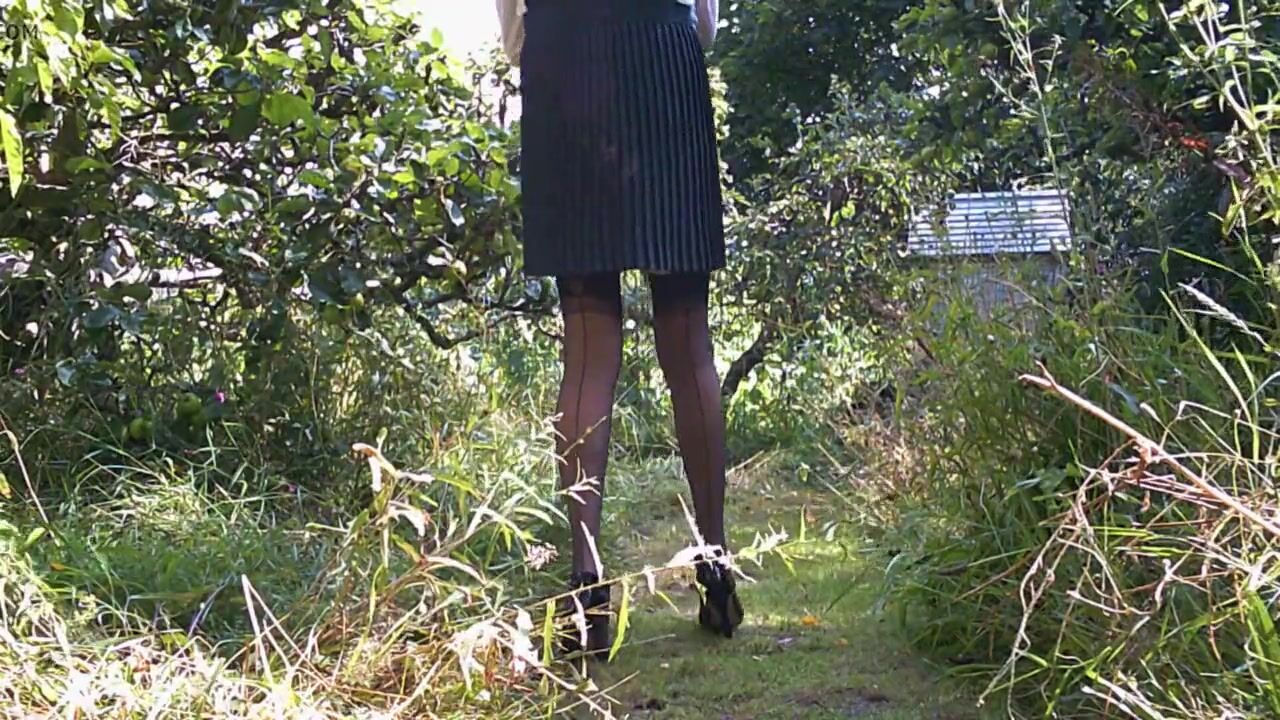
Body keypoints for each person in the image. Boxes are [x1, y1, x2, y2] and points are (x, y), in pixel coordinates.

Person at [495, 0, 744, 656]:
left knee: (587, 345)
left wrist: (537, 40)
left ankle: (586, 585)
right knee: (688, 339)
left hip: (564, 63)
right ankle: (715, 566)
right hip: (662, 55)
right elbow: (706, 20)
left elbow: (512, 27)